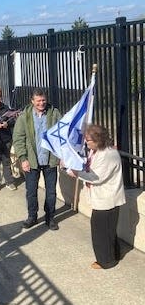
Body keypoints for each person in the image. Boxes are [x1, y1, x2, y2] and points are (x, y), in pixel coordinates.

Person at [68, 124, 126, 269]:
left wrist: (76, 173)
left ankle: (106, 261)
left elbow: (96, 177)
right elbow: (89, 167)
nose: (86, 143)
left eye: (89, 140)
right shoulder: (96, 151)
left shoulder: (108, 154)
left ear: (98, 140)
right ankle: (113, 254)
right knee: (107, 230)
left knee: (102, 231)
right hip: (102, 198)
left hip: (107, 199)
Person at [12, 88, 61, 230]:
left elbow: (61, 136)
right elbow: (18, 138)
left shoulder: (54, 113)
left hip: (50, 160)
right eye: (38, 100)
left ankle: (50, 217)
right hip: (31, 161)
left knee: (51, 192)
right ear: (32, 101)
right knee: (31, 191)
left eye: (43, 100)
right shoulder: (24, 116)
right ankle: (32, 216)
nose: (41, 103)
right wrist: (23, 158)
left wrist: (61, 156)